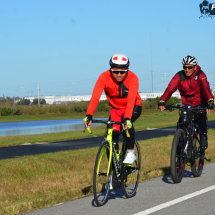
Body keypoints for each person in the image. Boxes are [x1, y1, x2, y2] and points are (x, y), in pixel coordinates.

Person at [84, 53, 142, 164]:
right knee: (110, 140)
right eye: (115, 71)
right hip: (115, 109)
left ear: (127, 70)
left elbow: (131, 100)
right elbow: (95, 97)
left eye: (122, 71)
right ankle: (113, 175)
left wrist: (127, 118)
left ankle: (130, 152)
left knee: (127, 124)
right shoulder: (104, 77)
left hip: (133, 106)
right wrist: (89, 114)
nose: (119, 74)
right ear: (110, 70)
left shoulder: (133, 78)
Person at [158, 55, 214, 151]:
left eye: (189, 67)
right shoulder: (179, 75)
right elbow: (170, 88)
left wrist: (210, 101)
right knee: (182, 123)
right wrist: (163, 100)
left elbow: (206, 88)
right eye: (185, 67)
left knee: (201, 119)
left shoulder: (200, 74)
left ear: (195, 67)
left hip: (200, 103)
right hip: (187, 104)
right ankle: (179, 151)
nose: (187, 69)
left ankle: (203, 137)